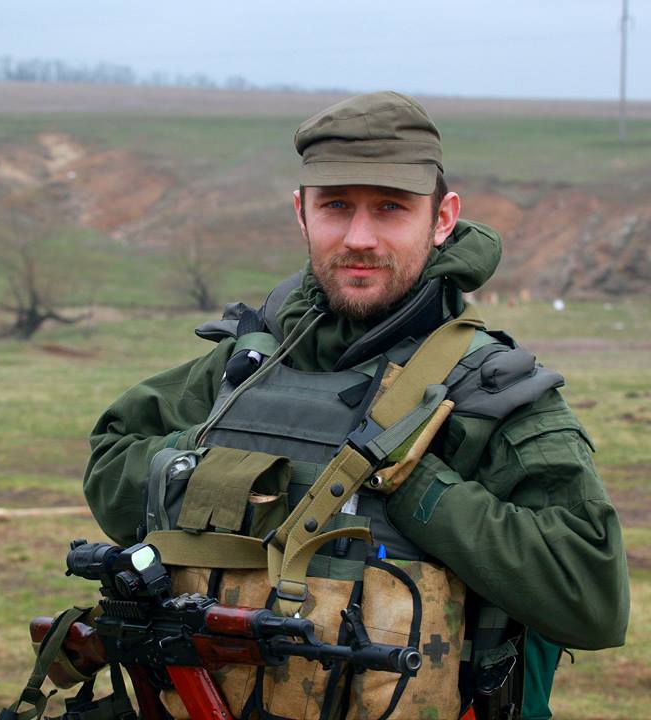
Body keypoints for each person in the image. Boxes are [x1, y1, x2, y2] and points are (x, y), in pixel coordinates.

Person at [82, 92, 629, 720]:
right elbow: (111, 468)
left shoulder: (489, 394)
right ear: (302, 213)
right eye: (336, 206)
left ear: (442, 218)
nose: (359, 238)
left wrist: (418, 492)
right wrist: (231, 466)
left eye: (391, 207)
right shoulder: (252, 362)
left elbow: (592, 599)